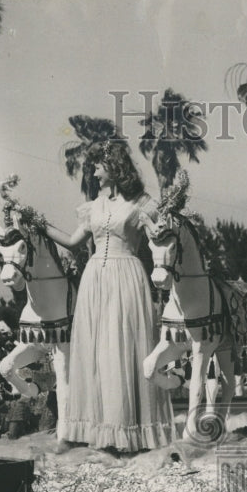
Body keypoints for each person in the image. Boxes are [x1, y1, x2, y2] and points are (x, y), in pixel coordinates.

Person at [42, 138, 167, 452]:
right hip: (94, 278)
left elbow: (158, 237)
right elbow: (72, 242)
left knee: (122, 349)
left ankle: (125, 432)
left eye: (97, 165)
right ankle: (87, 430)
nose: (93, 172)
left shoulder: (142, 202)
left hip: (127, 277)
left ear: (114, 165)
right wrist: (39, 223)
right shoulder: (93, 205)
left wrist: (163, 225)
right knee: (95, 353)